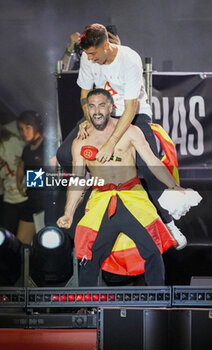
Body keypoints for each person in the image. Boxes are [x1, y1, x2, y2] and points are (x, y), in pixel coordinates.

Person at [57, 23, 187, 249]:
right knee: (63, 154)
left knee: (148, 168)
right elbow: (85, 93)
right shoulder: (89, 58)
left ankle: (168, 222)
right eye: (87, 54)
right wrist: (88, 119)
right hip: (102, 114)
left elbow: (129, 109)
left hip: (132, 115)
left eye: (93, 54)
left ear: (107, 45)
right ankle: (90, 181)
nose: (90, 58)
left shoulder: (129, 60)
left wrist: (110, 143)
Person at [57, 89, 196, 286]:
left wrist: (174, 186)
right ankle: (86, 308)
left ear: (112, 107)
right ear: (87, 110)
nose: (96, 111)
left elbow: (152, 161)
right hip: (102, 201)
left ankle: (157, 306)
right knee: (90, 257)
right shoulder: (81, 142)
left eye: (101, 105)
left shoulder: (131, 131)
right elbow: (78, 179)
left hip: (133, 197)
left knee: (152, 251)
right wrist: (69, 213)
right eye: (92, 106)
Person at [16, 110, 56, 244]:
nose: (24, 132)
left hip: (47, 203)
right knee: (21, 242)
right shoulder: (27, 149)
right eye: (21, 129)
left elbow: (54, 173)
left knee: (45, 243)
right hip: (32, 200)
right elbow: (21, 166)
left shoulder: (49, 145)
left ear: (36, 126)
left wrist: (32, 179)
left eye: (27, 127)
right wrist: (19, 182)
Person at [0, 124, 28, 235]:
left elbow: (29, 162)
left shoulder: (13, 141)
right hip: (9, 198)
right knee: (7, 235)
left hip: (25, 196)